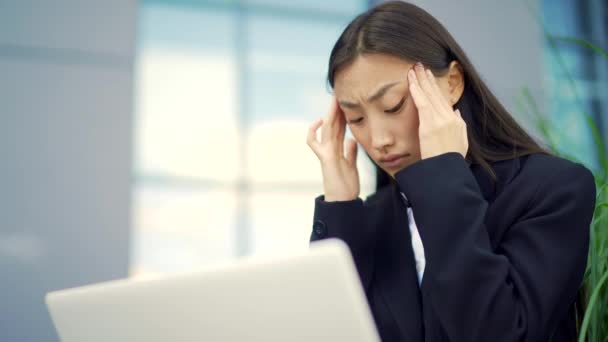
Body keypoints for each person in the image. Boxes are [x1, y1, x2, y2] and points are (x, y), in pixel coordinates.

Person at [305, 1, 597, 341]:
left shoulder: (553, 189)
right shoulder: (370, 218)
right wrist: (340, 210)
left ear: (453, 82)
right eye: (356, 119)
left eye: (393, 106)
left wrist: (443, 175)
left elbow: (499, 333)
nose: (378, 139)